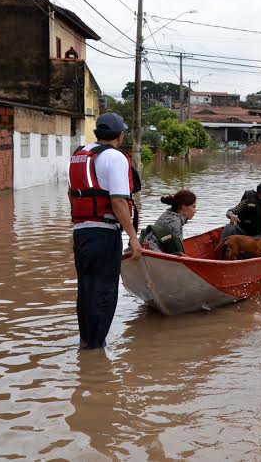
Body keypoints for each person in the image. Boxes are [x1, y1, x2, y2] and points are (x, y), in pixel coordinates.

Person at [68, 112, 142, 350]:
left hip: (81, 232)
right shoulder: (115, 157)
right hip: (104, 233)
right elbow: (118, 201)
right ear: (121, 135)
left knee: (86, 289)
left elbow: (71, 194)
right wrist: (133, 237)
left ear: (97, 132)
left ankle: (86, 343)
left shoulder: (79, 155)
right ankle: (96, 350)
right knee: (104, 291)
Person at [139, 190, 198, 254]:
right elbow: (151, 243)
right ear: (183, 207)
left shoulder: (166, 215)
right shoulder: (175, 223)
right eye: (193, 207)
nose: (195, 211)